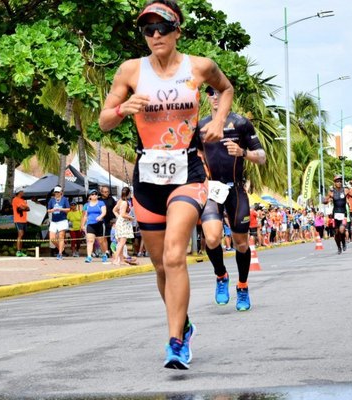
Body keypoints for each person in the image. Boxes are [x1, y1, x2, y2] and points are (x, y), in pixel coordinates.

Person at [98, 0, 234, 370]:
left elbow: (226, 89)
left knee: (175, 255)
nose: (155, 34)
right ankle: (184, 325)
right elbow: (103, 122)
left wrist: (219, 120)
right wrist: (121, 110)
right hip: (147, 177)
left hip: (187, 171)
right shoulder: (130, 71)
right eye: (148, 29)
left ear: (177, 30)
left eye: (163, 27)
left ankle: (175, 342)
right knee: (160, 265)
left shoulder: (199, 66)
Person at [198, 85, 266, 311]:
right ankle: (221, 276)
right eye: (210, 93)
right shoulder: (201, 126)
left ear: (228, 96)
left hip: (235, 189)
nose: (215, 96)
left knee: (241, 243)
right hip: (212, 190)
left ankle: (243, 286)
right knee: (211, 238)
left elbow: (262, 157)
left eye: (219, 92)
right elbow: (195, 154)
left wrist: (243, 153)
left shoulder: (240, 123)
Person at [323, 175, 349, 254]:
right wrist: (326, 200)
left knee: (342, 230)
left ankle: (344, 242)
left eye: (340, 181)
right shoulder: (332, 192)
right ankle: (339, 247)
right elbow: (326, 201)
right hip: (335, 214)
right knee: (336, 233)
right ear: (334, 183)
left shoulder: (345, 190)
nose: (339, 182)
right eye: (337, 181)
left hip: (343, 213)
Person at [81, 189, 108, 263]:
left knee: (101, 241)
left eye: (96, 194)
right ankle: (89, 256)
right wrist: (83, 225)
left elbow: (104, 212)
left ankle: (104, 254)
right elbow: (85, 216)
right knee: (90, 241)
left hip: (99, 224)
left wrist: (100, 216)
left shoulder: (101, 203)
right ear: (90, 196)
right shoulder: (87, 205)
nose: (94, 195)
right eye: (92, 194)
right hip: (90, 224)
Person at [112, 187, 137, 266]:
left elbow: (114, 210)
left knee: (120, 243)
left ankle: (121, 260)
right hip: (123, 223)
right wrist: (131, 218)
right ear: (129, 193)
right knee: (121, 243)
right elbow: (123, 214)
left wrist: (118, 217)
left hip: (120, 222)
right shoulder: (125, 202)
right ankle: (116, 259)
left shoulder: (120, 201)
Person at [47, 185, 70, 260]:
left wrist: (61, 209)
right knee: (52, 238)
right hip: (54, 221)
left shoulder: (64, 199)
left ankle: (60, 253)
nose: (56, 193)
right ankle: (60, 247)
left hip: (62, 220)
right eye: (55, 192)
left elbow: (68, 209)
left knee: (61, 236)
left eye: (58, 192)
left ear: (61, 192)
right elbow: (48, 210)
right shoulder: (52, 200)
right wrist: (52, 210)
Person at [12, 187, 29, 257]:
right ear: (19, 192)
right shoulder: (15, 199)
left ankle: (20, 251)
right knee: (20, 234)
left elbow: (28, 208)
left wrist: (23, 208)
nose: (23, 193)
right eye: (22, 191)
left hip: (24, 220)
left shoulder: (23, 200)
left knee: (22, 236)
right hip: (18, 220)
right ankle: (18, 251)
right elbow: (20, 208)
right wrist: (23, 208)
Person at [99, 185, 116, 257]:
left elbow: (115, 209)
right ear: (101, 192)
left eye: (107, 192)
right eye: (105, 192)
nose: (106, 193)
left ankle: (113, 251)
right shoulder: (99, 200)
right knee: (104, 237)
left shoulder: (111, 199)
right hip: (103, 221)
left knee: (112, 237)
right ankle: (106, 252)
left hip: (111, 221)